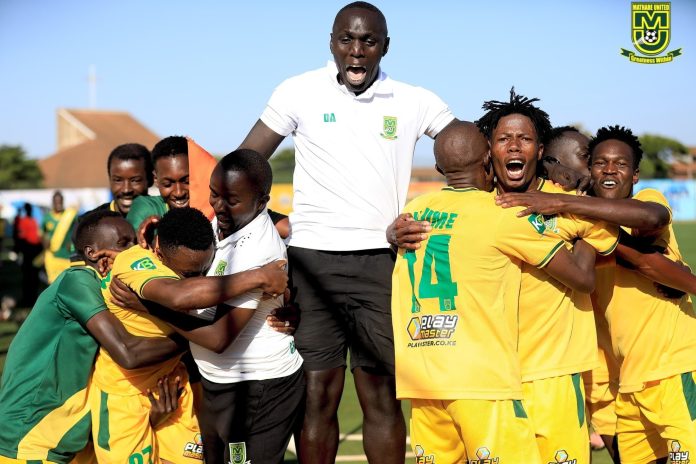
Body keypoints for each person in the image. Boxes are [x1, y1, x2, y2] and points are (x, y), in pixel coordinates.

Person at [238, 3, 457, 462]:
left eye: (368, 41)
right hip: (312, 262)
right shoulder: (299, 91)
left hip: (382, 262)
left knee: (380, 395)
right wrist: (272, 220)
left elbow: (466, 149)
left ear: (385, 46)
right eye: (346, 40)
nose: (356, 52)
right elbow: (244, 164)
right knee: (317, 395)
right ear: (332, 42)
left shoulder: (415, 100)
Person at [392, 120, 597, 463]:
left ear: (440, 167)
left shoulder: (413, 211)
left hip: (423, 378)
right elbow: (581, 278)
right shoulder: (502, 215)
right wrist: (587, 233)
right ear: (488, 158)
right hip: (480, 379)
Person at [497, 125, 696, 464]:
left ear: (634, 176)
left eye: (615, 163)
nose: (599, 170)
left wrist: (564, 203)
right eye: (591, 161)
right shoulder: (567, 224)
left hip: (672, 366)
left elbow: (650, 222)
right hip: (617, 379)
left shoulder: (644, 200)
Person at [90, 207, 288, 463]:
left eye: (203, 271)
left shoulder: (187, 253)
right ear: (159, 251)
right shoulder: (135, 263)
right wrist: (259, 276)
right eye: (189, 275)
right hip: (124, 395)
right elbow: (181, 296)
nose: (200, 280)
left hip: (174, 387)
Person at [149, 150, 304, 464]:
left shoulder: (258, 249)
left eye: (231, 200)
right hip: (222, 382)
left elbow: (220, 337)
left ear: (262, 201)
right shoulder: (223, 228)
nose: (218, 206)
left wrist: (153, 305)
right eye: (213, 194)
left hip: (258, 386)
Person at [0, 210, 187, 463]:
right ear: (93, 254)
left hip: (65, 440)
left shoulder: (104, 287)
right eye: (124, 244)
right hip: (29, 438)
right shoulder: (77, 282)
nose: (134, 251)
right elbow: (128, 353)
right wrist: (195, 337)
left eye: (134, 242)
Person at [94, 143, 153, 216]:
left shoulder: (164, 218)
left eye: (135, 180)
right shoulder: (88, 223)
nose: (126, 190)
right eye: (118, 180)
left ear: (150, 180)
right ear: (110, 180)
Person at [42, 191, 78, 283]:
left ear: (63, 201)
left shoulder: (70, 216)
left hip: (67, 256)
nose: (58, 204)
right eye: (56, 201)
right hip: (52, 256)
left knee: (67, 283)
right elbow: (42, 233)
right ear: (53, 202)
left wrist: (73, 242)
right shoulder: (47, 218)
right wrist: (44, 241)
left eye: (60, 201)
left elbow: (77, 231)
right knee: (53, 284)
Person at [15, 202, 42, 305]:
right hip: (29, 251)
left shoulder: (30, 221)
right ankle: (28, 297)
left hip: (32, 251)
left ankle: (31, 297)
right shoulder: (28, 221)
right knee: (29, 275)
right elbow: (22, 238)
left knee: (31, 275)